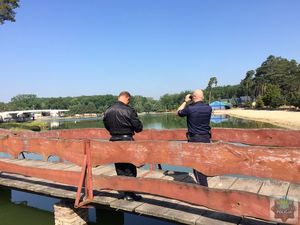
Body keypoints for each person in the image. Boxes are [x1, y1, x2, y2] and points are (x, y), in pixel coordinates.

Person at [103, 91, 143, 201]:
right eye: (129, 100)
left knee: (119, 167)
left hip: (114, 141)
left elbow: (106, 125)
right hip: (127, 141)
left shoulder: (108, 110)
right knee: (130, 168)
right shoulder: (129, 110)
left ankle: (125, 193)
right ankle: (130, 194)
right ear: (127, 98)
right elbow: (138, 128)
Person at [177, 89, 212, 187]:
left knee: (196, 163)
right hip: (206, 138)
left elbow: (178, 112)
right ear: (202, 97)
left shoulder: (190, 108)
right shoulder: (208, 108)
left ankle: (203, 187)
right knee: (203, 162)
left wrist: (185, 101)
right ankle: (204, 183)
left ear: (194, 97)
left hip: (194, 139)